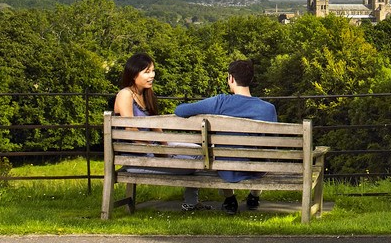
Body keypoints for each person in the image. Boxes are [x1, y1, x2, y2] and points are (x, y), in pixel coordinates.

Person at [174, 59, 278, 215]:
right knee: (261, 156)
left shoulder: (220, 102)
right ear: (250, 80)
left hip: (227, 168)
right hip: (257, 169)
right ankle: (254, 197)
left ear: (231, 78)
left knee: (222, 155)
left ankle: (230, 200)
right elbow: (272, 145)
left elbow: (180, 110)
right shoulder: (268, 109)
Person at [113, 53, 211, 212]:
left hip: (152, 147)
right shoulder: (125, 94)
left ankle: (191, 203)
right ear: (133, 74)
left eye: (152, 70)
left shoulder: (146, 95)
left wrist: (165, 148)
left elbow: (155, 126)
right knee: (190, 165)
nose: (151, 75)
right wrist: (160, 152)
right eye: (146, 71)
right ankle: (191, 203)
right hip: (137, 157)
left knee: (198, 151)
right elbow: (130, 130)